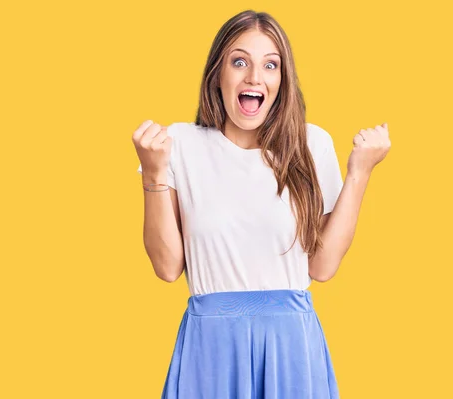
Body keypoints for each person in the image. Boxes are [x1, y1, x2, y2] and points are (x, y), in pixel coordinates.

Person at [132, 9, 391, 399]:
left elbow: (322, 267)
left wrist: (359, 174)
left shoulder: (311, 144)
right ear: (218, 73)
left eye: (271, 65)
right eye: (240, 62)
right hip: (211, 348)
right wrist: (153, 175)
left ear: (281, 81)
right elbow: (167, 267)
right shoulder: (179, 144)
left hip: (290, 347)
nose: (255, 77)